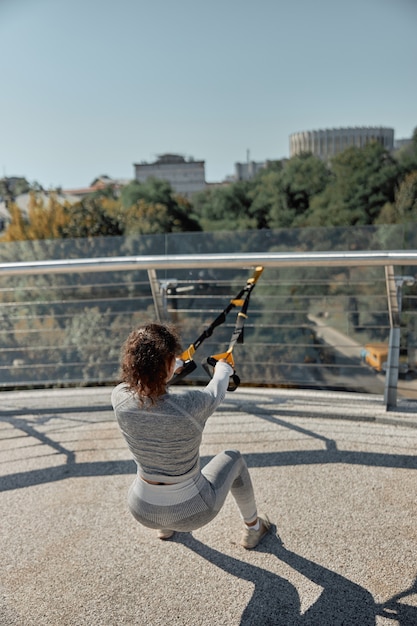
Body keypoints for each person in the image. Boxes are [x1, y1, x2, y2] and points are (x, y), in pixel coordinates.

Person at [111, 322, 271, 549]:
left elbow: (146, 390)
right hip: (193, 512)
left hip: (142, 509)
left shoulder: (119, 398)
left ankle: (165, 528)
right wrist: (224, 369)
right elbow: (216, 391)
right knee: (234, 458)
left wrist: (168, 367)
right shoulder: (190, 406)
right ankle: (254, 529)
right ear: (167, 366)